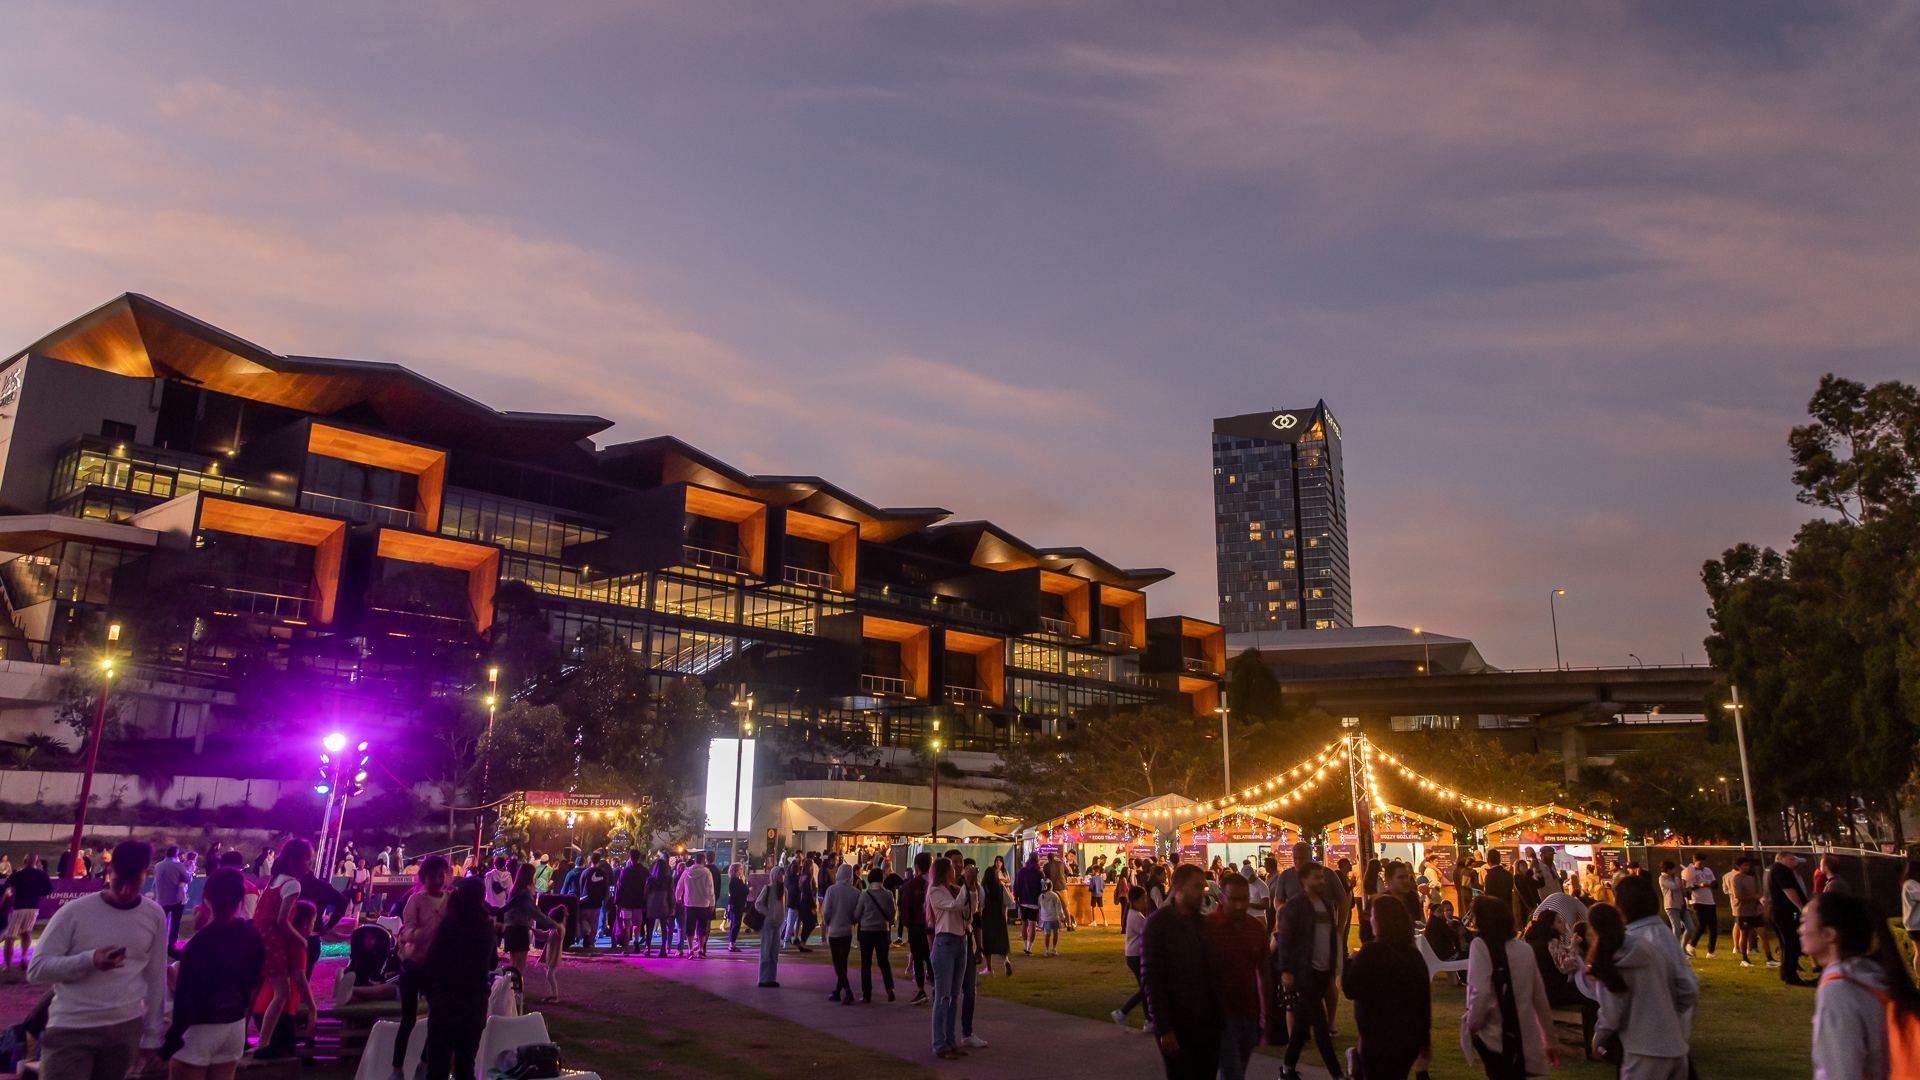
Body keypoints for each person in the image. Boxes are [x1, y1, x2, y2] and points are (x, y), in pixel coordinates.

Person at [27, 840, 168, 1078]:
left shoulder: (153, 915)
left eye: (134, 883)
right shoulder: (74, 912)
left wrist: (152, 1034)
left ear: (146, 874)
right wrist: (88, 960)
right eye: (119, 881)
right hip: (72, 1027)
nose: (125, 891)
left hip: (124, 1028)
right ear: (109, 872)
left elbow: (155, 976)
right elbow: (37, 970)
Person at [1575, 891, 1696, 1080]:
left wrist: (1598, 1037)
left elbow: (1612, 1012)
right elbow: (1687, 988)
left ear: (1593, 929)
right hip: (1675, 1046)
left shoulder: (1607, 960)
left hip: (1642, 1049)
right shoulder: (1649, 947)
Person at [1804, 890, 1919, 1079]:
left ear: (1829, 934)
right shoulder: (1874, 976)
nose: (1800, 930)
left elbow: (1842, 1071)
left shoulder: (1838, 988)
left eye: (1804, 921)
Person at [164, 868, 264, 1080]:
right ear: (241, 899)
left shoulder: (199, 943)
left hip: (198, 1029)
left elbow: (186, 999)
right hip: (234, 1026)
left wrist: (172, 1039)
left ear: (207, 899)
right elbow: (254, 982)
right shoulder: (253, 936)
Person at [1461, 893, 1556, 1078]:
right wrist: (1550, 1039)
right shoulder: (1524, 949)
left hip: (1495, 1034)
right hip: (1523, 1036)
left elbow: (1479, 992)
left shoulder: (1480, 946)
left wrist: (1472, 1023)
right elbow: (1539, 998)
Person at [1142, 864, 1219, 1080]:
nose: (1202, 893)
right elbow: (1152, 979)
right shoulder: (1158, 925)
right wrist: (1164, 1027)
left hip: (1207, 1022)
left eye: (1204, 888)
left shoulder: (1203, 924)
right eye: (1197, 887)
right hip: (1177, 1022)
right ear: (1178, 888)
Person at [1344, 894, 1431, 1080]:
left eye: (1373, 916)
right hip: (1408, 1037)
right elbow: (1423, 1000)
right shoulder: (1413, 955)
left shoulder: (1370, 953)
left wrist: (1350, 961)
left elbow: (1350, 988)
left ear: (1381, 921)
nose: (1371, 920)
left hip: (1377, 1037)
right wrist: (1424, 1042)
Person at [420, 877, 495, 1080]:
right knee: (465, 1064)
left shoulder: (450, 924)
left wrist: (431, 991)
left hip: (446, 999)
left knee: (438, 1065)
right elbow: (493, 962)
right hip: (474, 1001)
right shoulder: (486, 927)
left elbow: (433, 960)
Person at [1275, 862, 1345, 1079]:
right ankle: (1337, 1074)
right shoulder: (1295, 906)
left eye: (1322, 877)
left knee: (1303, 1023)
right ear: (1304, 880)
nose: (1321, 881)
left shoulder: (1324, 903)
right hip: (1305, 971)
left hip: (1324, 970)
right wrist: (1286, 969)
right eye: (1316, 877)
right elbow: (1285, 938)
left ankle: (1287, 1069)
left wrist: (1333, 965)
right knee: (1321, 1025)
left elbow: (1329, 936)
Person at [250, 837, 313, 1059]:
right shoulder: (293, 884)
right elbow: (282, 920)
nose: (309, 866)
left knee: (257, 991)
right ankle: (264, 1042)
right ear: (295, 861)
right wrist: (301, 940)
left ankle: (253, 1039)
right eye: (307, 861)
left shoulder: (275, 880)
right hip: (272, 941)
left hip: (257, 938)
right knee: (282, 992)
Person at [1205, 872, 1269, 1080]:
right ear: (1222, 897)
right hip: (1220, 1015)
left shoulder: (1254, 928)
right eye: (1234, 899)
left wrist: (1265, 1014)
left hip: (1249, 1012)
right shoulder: (1209, 927)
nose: (1240, 905)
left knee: (1238, 1066)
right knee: (1233, 1072)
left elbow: (1264, 972)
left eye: (1244, 899)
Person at [927, 858, 974, 1059]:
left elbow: (970, 910)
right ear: (944, 871)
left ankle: (950, 1041)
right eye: (952, 868)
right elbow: (955, 906)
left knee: (954, 996)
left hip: (959, 942)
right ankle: (939, 1044)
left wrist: (971, 887)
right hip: (945, 943)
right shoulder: (935, 891)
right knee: (943, 996)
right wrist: (966, 884)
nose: (955, 871)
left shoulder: (955, 888)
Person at [501, 864, 561, 986]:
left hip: (510, 929)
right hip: (520, 930)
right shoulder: (524, 894)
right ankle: (515, 994)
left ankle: (509, 993)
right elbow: (535, 913)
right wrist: (554, 924)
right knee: (519, 966)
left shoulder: (514, 891)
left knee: (513, 963)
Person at [1110, 885, 1151, 1028]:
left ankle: (1148, 1021)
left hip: (1133, 955)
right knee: (1146, 988)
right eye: (1143, 899)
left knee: (1145, 988)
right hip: (1136, 956)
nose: (1145, 901)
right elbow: (1147, 934)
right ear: (1136, 900)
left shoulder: (1134, 914)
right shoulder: (1136, 916)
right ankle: (1122, 1012)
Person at [855, 866, 897, 1003]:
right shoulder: (888, 894)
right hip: (882, 932)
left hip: (866, 931)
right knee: (884, 961)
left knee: (865, 963)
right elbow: (892, 915)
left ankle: (867, 994)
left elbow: (857, 914)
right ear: (882, 879)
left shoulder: (864, 895)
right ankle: (890, 989)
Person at [1770, 852, 1811, 985]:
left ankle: (1786, 973)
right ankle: (1790, 975)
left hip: (1781, 912)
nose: (1794, 861)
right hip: (1785, 912)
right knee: (1791, 942)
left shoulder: (1776, 870)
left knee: (1788, 942)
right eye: (1790, 858)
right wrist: (1801, 907)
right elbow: (1788, 890)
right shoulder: (1780, 870)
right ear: (1781, 858)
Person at [821, 863, 860, 1005]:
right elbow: (857, 913)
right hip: (847, 931)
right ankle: (838, 991)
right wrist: (852, 920)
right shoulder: (856, 892)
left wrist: (828, 922)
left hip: (834, 931)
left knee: (838, 964)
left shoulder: (832, 890)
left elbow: (826, 912)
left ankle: (848, 991)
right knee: (842, 962)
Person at [4, 855, 51, 970]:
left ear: (24, 861)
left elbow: (8, 887)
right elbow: (48, 890)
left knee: (10, 937)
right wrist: (36, 893)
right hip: (33, 907)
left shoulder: (18, 874)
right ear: (36, 862)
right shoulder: (42, 874)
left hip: (19, 907)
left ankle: (8, 966)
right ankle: (24, 957)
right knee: (26, 932)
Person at [1729, 855, 1770, 968]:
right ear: (1739, 866)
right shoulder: (1736, 878)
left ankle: (1770, 958)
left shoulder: (1752, 878)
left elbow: (1758, 893)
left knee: (1763, 933)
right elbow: (1738, 895)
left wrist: (1758, 902)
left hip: (1754, 911)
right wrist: (1755, 897)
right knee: (1745, 934)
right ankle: (1744, 958)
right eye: (1745, 865)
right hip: (1743, 911)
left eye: (1748, 865)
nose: (1747, 867)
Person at [901, 851, 931, 1003]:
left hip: (916, 926)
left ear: (917, 866)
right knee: (931, 956)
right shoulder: (936, 883)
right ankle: (936, 986)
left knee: (918, 958)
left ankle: (921, 989)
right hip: (933, 926)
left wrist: (907, 924)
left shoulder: (912, 885)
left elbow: (906, 907)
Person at [675, 853, 716, 958]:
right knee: (702, 928)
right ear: (703, 860)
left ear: (694, 860)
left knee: (690, 928)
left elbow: (679, 886)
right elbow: (710, 889)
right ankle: (701, 950)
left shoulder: (687, 871)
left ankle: (690, 949)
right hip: (703, 904)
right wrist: (712, 903)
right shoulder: (707, 872)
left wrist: (678, 897)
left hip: (690, 903)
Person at [152, 846, 192, 956]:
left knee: (160, 924)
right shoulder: (178, 865)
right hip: (175, 899)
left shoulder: (158, 865)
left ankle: (157, 945)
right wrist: (189, 871)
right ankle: (171, 947)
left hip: (161, 899)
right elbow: (188, 879)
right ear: (176, 854)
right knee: (175, 923)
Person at [1682, 853, 1718, 959]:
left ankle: (1711, 952)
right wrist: (1699, 885)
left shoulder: (1708, 870)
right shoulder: (1688, 871)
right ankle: (1691, 945)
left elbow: (1715, 884)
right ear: (1694, 861)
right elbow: (1687, 887)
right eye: (1700, 862)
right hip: (1697, 901)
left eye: (1703, 862)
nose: (1702, 864)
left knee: (1713, 927)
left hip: (1710, 901)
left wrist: (1709, 884)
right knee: (1701, 925)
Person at [978, 865, 1011, 976]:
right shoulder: (1000, 887)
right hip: (999, 916)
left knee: (987, 943)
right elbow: (1009, 900)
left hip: (987, 916)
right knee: (1001, 940)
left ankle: (989, 968)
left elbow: (981, 903)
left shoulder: (984, 888)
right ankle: (1006, 960)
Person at [755, 867, 785, 988]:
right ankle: (763, 979)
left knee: (774, 952)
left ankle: (772, 978)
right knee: (766, 951)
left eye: (782, 875)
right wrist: (768, 914)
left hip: (778, 924)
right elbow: (758, 903)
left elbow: (784, 907)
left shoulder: (784, 891)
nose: (781, 877)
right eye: (779, 875)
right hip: (768, 924)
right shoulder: (768, 889)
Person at [577, 852, 613, 952]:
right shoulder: (603, 873)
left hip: (585, 901)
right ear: (599, 860)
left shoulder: (585, 872)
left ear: (590, 860)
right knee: (593, 924)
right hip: (596, 903)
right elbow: (606, 888)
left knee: (584, 920)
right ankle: (591, 943)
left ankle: (586, 937)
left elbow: (580, 886)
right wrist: (604, 899)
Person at [613, 851, 647, 954]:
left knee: (626, 926)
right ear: (639, 858)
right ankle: (636, 942)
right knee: (637, 924)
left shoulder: (625, 871)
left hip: (626, 903)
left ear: (630, 858)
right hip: (639, 902)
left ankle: (626, 948)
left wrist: (616, 900)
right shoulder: (644, 871)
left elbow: (619, 886)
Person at [1013, 853, 1043, 957]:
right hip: (1034, 902)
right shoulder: (1039, 873)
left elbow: (1016, 885)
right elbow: (1042, 887)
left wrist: (1016, 896)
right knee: (1032, 925)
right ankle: (1029, 948)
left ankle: (1025, 945)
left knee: (1024, 924)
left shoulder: (1022, 871)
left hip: (1023, 901)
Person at [1658, 861, 1691, 942]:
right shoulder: (1662, 878)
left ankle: (1683, 948)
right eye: (1673, 869)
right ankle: (1674, 948)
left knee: (1691, 928)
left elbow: (1682, 890)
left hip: (1682, 905)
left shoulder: (1676, 878)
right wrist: (1679, 879)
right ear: (1668, 869)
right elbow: (1674, 886)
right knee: (1677, 929)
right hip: (1671, 906)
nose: (1675, 870)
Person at [725, 863, 751, 953]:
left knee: (733, 924)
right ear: (737, 870)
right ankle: (732, 943)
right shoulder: (738, 881)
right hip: (737, 905)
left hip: (733, 905)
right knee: (736, 924)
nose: (742, 871)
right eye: (740, 869)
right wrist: (744, 884)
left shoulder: (732, 880)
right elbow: (745, 891)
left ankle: (731, 943)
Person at [1037, 879, 1067, 957]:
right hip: (1054, 918)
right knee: (1056, 933)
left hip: (1045, 918)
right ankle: (1054, 949)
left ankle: (1046, 950)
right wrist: (1062, 917)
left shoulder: (1041, 896)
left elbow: (1039, 906)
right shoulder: (1054, 895)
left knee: (1047, 934)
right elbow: (1059, 907)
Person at [1902, 859, 1920, 983]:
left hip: (1916, 925)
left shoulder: (1912, 883)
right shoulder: (1910, 884)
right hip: (1914, 926)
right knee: (1919, 952)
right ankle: (1919, 976)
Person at [1086, 861, 1109, 928]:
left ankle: (1094, 921)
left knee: (1093, 907)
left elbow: (1091, 887)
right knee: (1101, 907)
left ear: (1094, 870)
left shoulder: (1093, 878)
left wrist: (1089, 890)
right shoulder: (1101, 878)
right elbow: (1103, 886)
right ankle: (1105, 921)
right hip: (1100, 894)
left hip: (1094, 894)